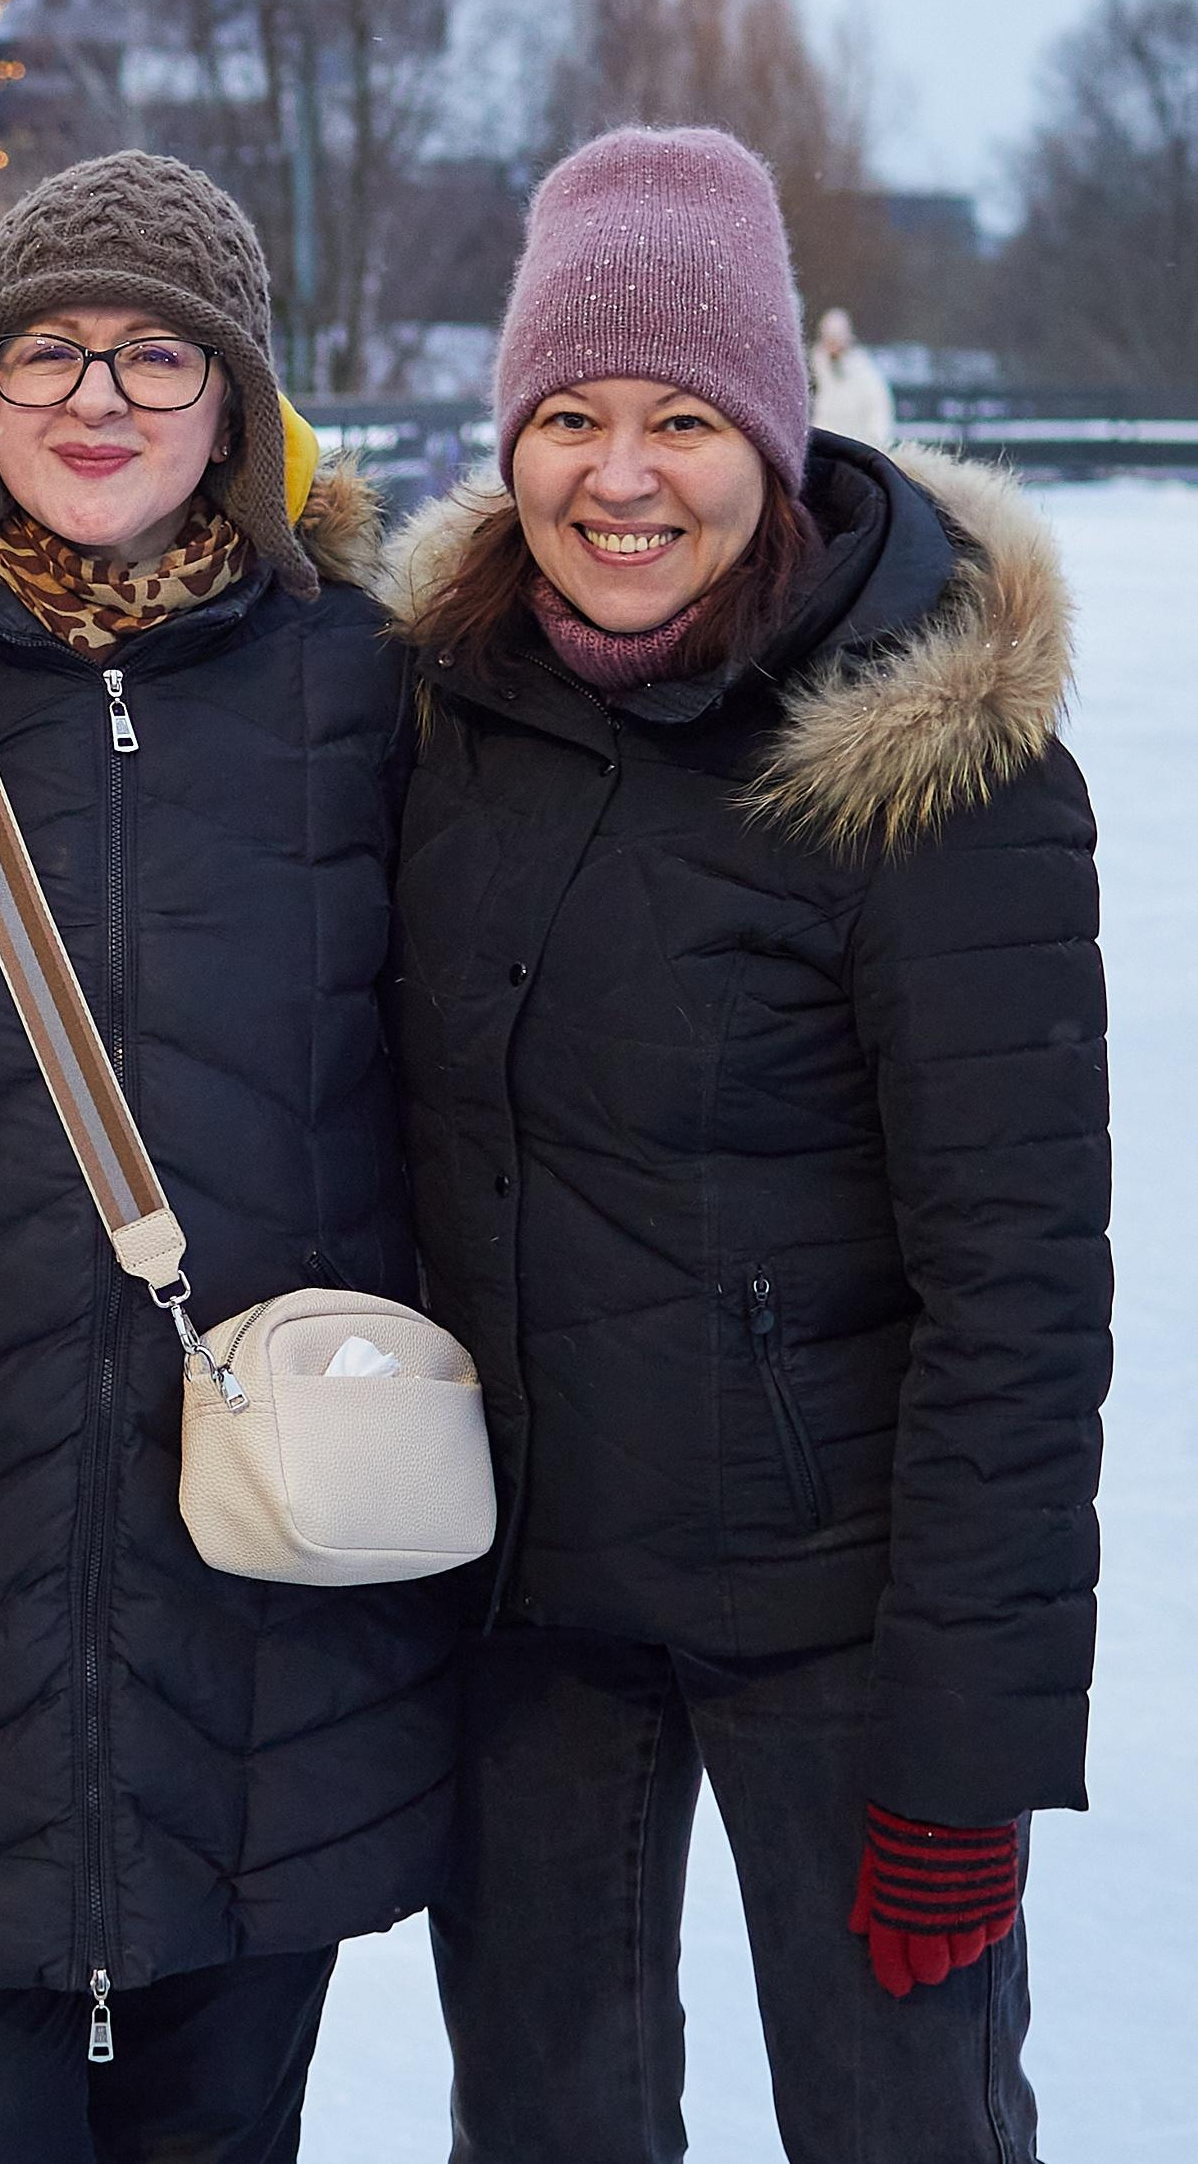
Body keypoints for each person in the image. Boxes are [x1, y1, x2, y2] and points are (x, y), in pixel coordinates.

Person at [384, 126, 1109, 2164]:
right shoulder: (447, 719)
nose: (620, 478)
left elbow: (1022, 1295)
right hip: (529, 1618)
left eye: (683, 418)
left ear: (775, 437)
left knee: (903, 2126)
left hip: (839, 1632)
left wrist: (963, 1752)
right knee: (543, 2127)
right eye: (571, 418)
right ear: (509, 436)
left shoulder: (933, 769)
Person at [0, 152, 460, 2164]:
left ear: (241, 417)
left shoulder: (378, 689)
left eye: (157, 358)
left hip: (270, 1584)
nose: (96, 399)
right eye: (47, 354)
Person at [810, 304, 898, 450]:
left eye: (838, 337)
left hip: (857, 451)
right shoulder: (812, 369)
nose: (834, 344)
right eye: (830, 337)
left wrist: (873, 446)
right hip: (821, 452)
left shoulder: (864, 371)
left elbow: (879, 411)